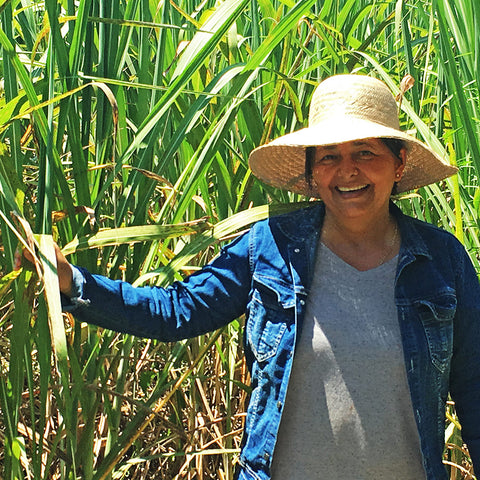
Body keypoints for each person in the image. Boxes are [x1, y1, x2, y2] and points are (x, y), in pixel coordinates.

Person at [41, 74, 479, 479]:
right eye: (329, 157)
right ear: (311, 173)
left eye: (365, 152)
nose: (348, 170)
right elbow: (175, 312)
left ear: (399, 163)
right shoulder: (269, 248)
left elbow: (475, 388)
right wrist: (72, 282)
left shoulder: (443, 262)